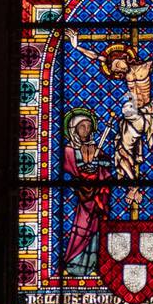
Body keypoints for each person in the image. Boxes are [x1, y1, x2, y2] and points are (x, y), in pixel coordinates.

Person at [62, 109, 112, 276]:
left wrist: (99, 164)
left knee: (95, 230)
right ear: (73, 129)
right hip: (80, 198)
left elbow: (106, 167)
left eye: (89, 126)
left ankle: (93, 265)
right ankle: (73, 264)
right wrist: (82, 172)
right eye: (82, 126)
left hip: (96, 196)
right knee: (80, 229)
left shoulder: (95, 148)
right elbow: (67, 171)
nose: (86, 130)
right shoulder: (68, 150)